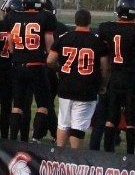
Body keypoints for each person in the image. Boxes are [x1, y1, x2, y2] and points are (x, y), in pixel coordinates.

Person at [47, 10, 110, 149]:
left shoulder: (64, 38)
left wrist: (60, 69)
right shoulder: (97, 41)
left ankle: (59, 155)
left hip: (66, 85)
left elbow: (50, 60)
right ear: (89, 21)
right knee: (78, 126)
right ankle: (75, 159)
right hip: (87, 87)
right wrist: (103, 85)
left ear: (75, 21)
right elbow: (105, 67)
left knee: (63, 122)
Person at [4, 0, 58, 142]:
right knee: (43, 105)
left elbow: (11, 46)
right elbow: (49, 46)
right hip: (37, 65)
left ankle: (12, 140)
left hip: (18, 65)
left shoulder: (12, 16)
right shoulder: (46, 17)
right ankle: (35, 138)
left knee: (17, 105)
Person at [98, 0, 135, 153]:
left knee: (111, 117)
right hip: (132, 78)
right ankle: (130, 153)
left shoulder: (106, 28)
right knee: (132, 119)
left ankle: (108, 152)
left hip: (114, 76)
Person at [0, 0, 20, 140]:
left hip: (3, 69)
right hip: (18, 68)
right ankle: (16, 138)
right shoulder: (23, 25)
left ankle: (4, 137)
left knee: (5, 107)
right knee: (19, 106)